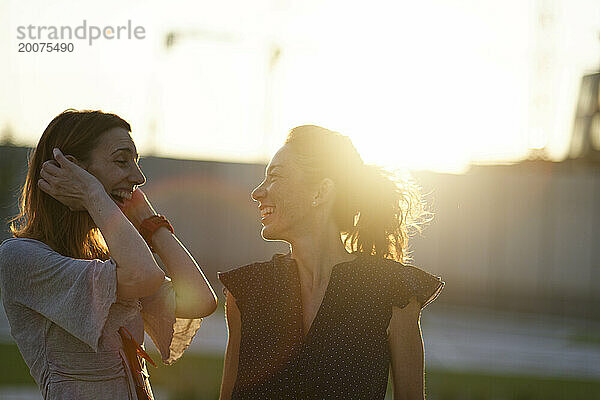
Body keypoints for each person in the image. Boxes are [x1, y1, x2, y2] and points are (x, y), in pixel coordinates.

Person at [0, 109, 217, 400]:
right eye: (121, 160)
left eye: (136, 163)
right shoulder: (21, 257)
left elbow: (201, 300)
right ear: (71, 168)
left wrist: (150, 220)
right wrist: (92, 191)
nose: (139, 177)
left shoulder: (107, 262)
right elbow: (146, 276)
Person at [218, 125, 444, 400]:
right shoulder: (247, 290)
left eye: (274, 177)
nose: (257, 192)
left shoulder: (394, 292)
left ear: (321, 192)